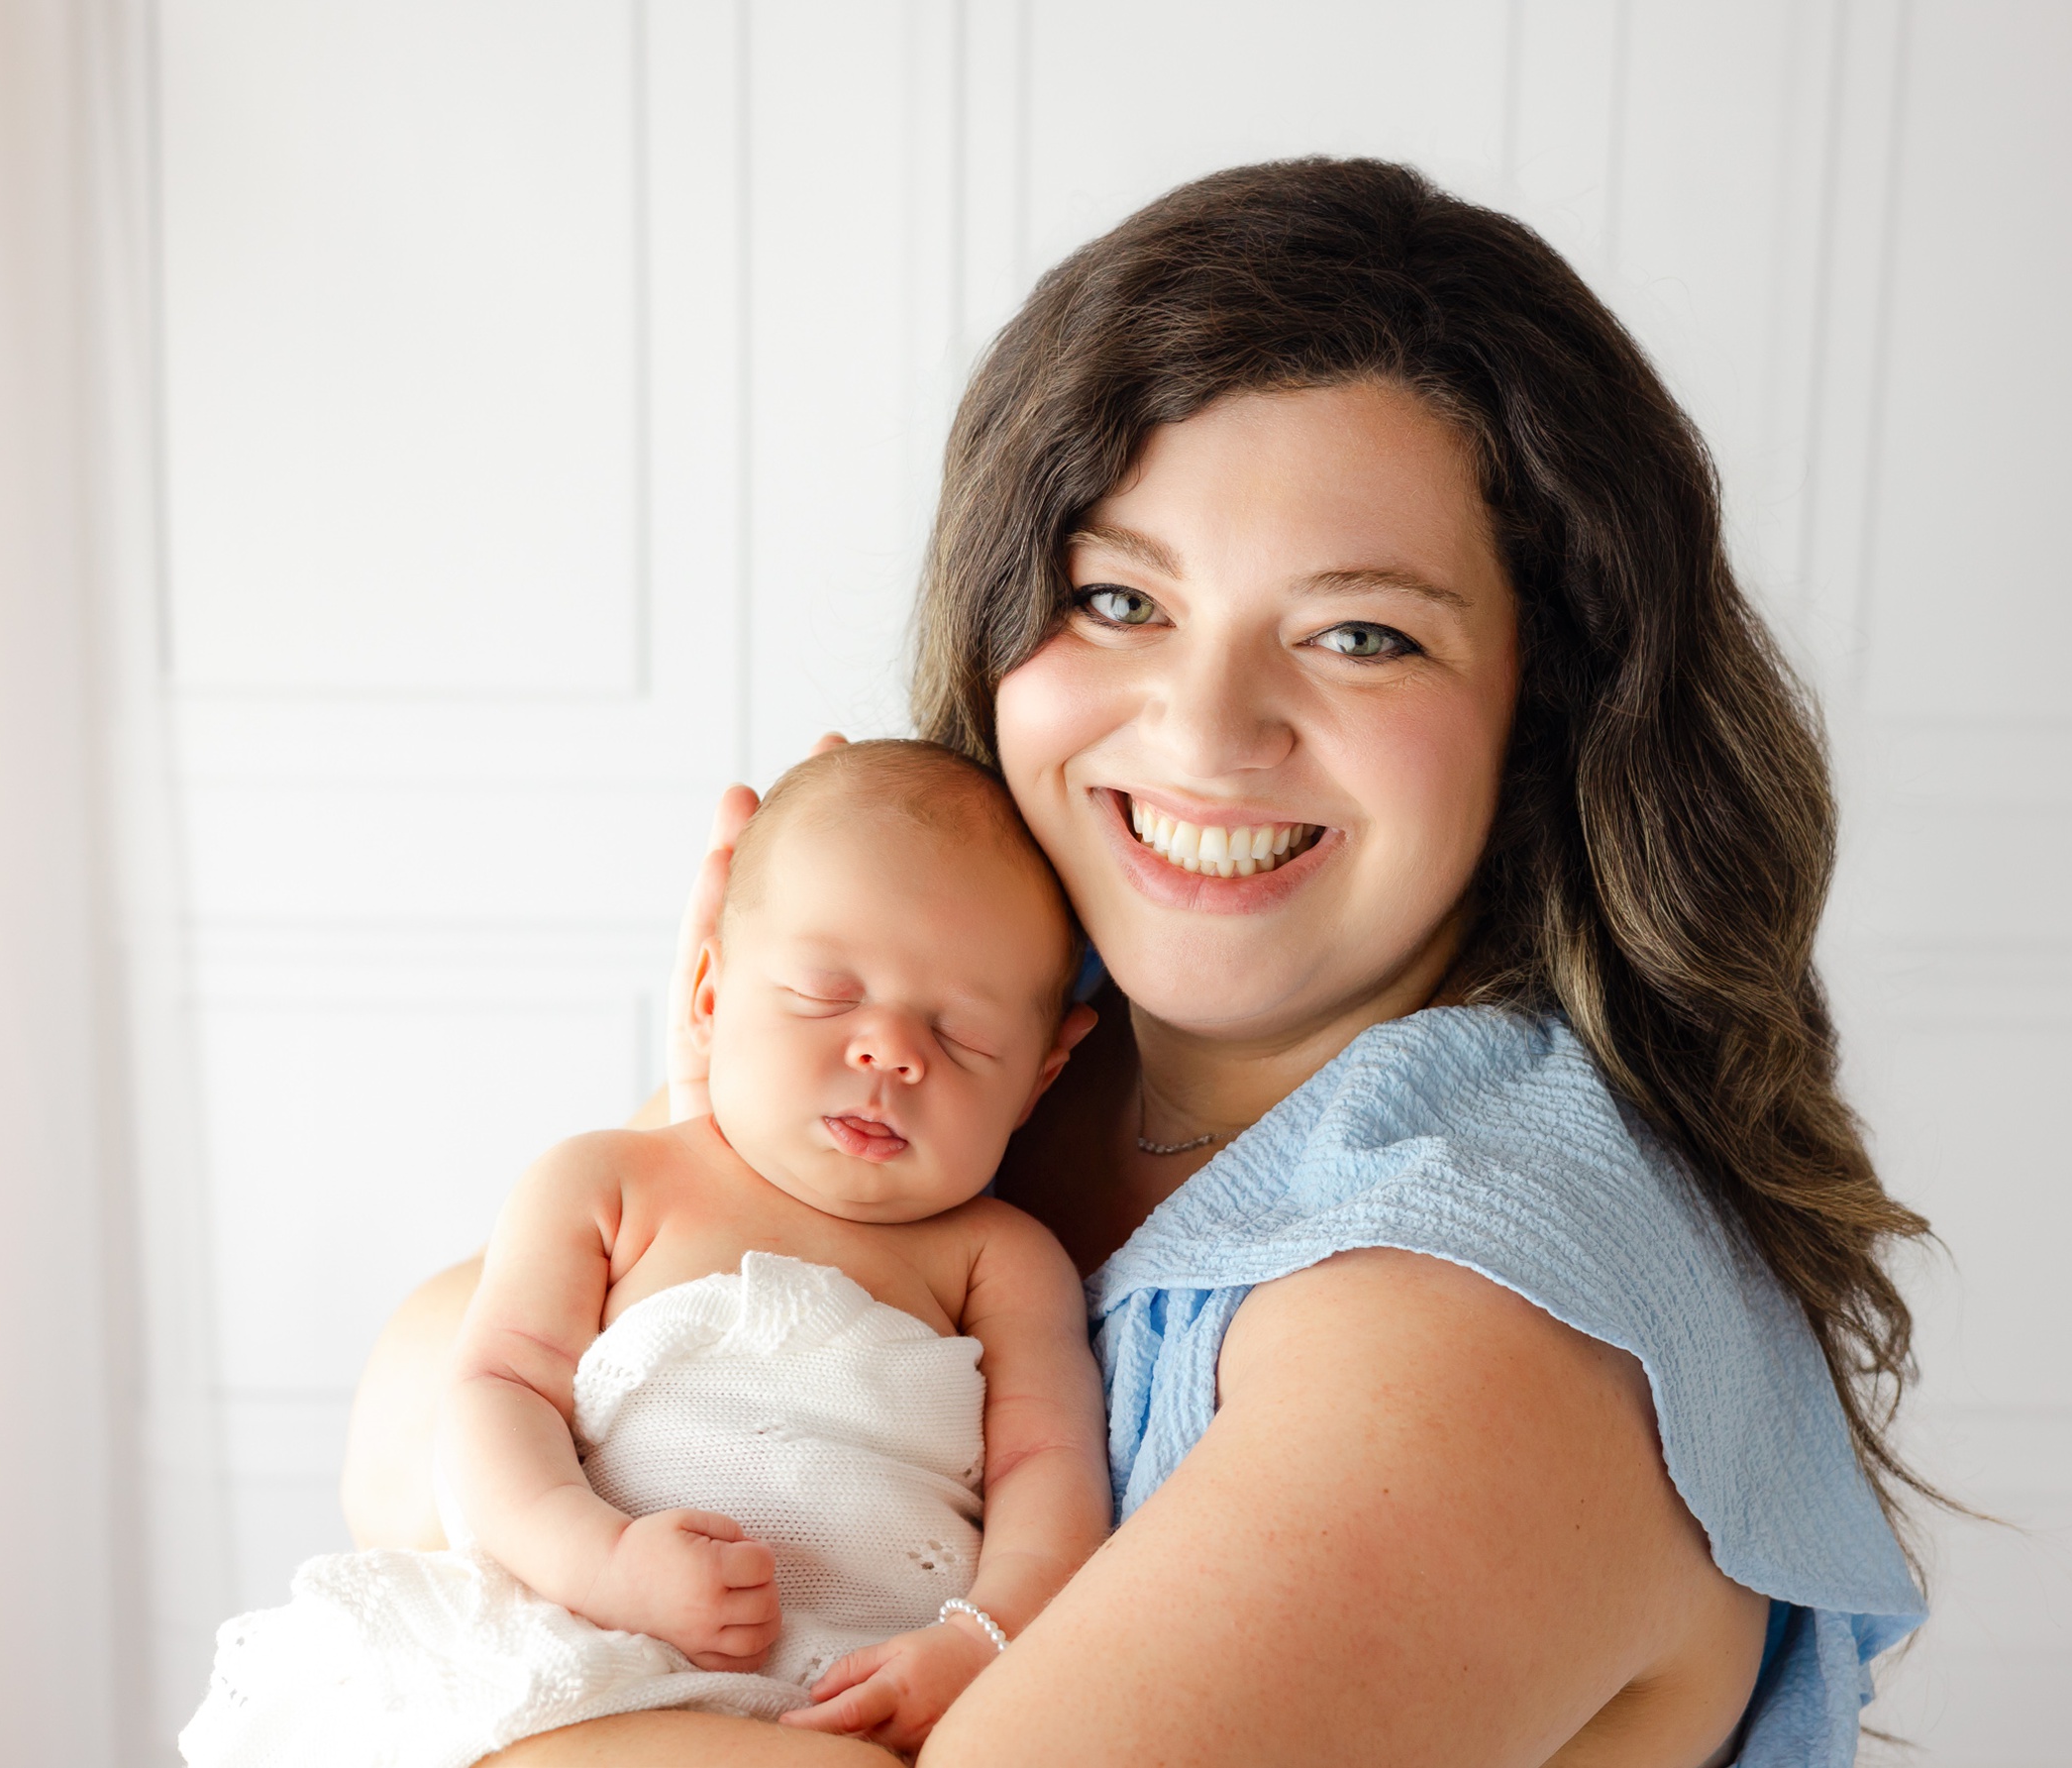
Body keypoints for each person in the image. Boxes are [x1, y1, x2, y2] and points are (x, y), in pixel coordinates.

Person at [341, 157, 1935, 1766]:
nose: (1205, 729)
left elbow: (439, 1505)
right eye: (1118, 597)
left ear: (1550, 708)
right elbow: (427, 1397)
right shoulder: (1001, 1045)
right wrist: (710, 1138)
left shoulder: (1479, 1321)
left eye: (1363, 632)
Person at [192, 745, 1107, 1765]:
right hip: (585, 1645)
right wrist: (604, 1559)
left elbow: (1053, 1479)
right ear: (710, 992)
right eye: (824, 991)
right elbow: (494, 1395)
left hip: (852, 1693)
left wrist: (982, 1638)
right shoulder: (610, 1185)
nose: (890, 1051)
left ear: (1037, 1078)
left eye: (964, 1034)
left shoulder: (1002, 1262)